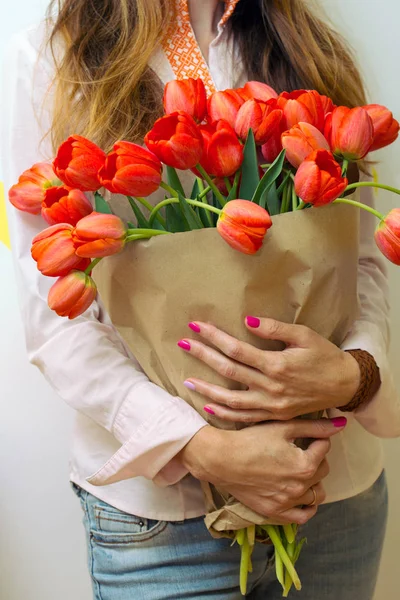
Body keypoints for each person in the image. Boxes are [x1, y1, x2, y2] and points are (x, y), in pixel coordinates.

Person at [2, 1, 400, 598]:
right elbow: (58, 319)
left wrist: (353, 375)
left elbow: (362, 263)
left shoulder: (307, 46)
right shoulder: (51, 57)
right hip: (162, 525)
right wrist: (202, 448)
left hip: (334, 496)